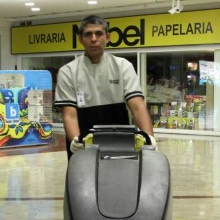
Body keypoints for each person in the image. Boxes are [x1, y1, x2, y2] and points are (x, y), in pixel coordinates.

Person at [53, 15, 154, 159]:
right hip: (83, 146)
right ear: (81, 39)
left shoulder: (123, 66)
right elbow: (69, 116)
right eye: (88, 34)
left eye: (99, 33)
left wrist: (149, 138)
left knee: (121, 180)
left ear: (107, 37)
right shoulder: (68, 72)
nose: (94, 39)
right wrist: (77, 142)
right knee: (84, 181)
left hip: (120, 143)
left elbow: (137, 107)